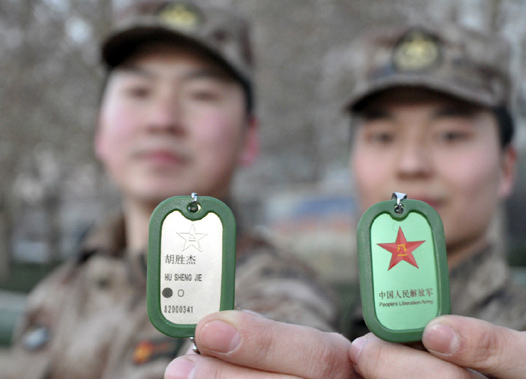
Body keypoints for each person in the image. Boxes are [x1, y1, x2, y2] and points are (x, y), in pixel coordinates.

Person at [164, 18, 526, 379]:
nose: (410, 165)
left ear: (507, 167)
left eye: (450, 135)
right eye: (383, 137)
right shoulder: (315, 315)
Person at [5, 2, 338, 378]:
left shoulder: (274, 292)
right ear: (100, 129)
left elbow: (287, 331)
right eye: (138, 91)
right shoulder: (58, 289)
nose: (163, 119)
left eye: (201, 94)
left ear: (250, 137)